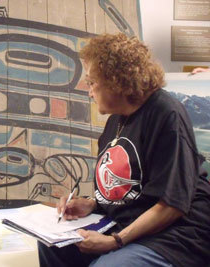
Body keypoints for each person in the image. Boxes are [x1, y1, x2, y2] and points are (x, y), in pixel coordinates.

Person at [38, 33, 210, 267]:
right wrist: (91, 203)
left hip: (176, 232)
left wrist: (115, 241)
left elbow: (172, 205)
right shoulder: (117, 119)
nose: (88, 91)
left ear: (115, 80)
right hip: (131, 220)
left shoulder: (167, 115)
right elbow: (131, 188)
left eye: (92, 82)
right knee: (52, 243)